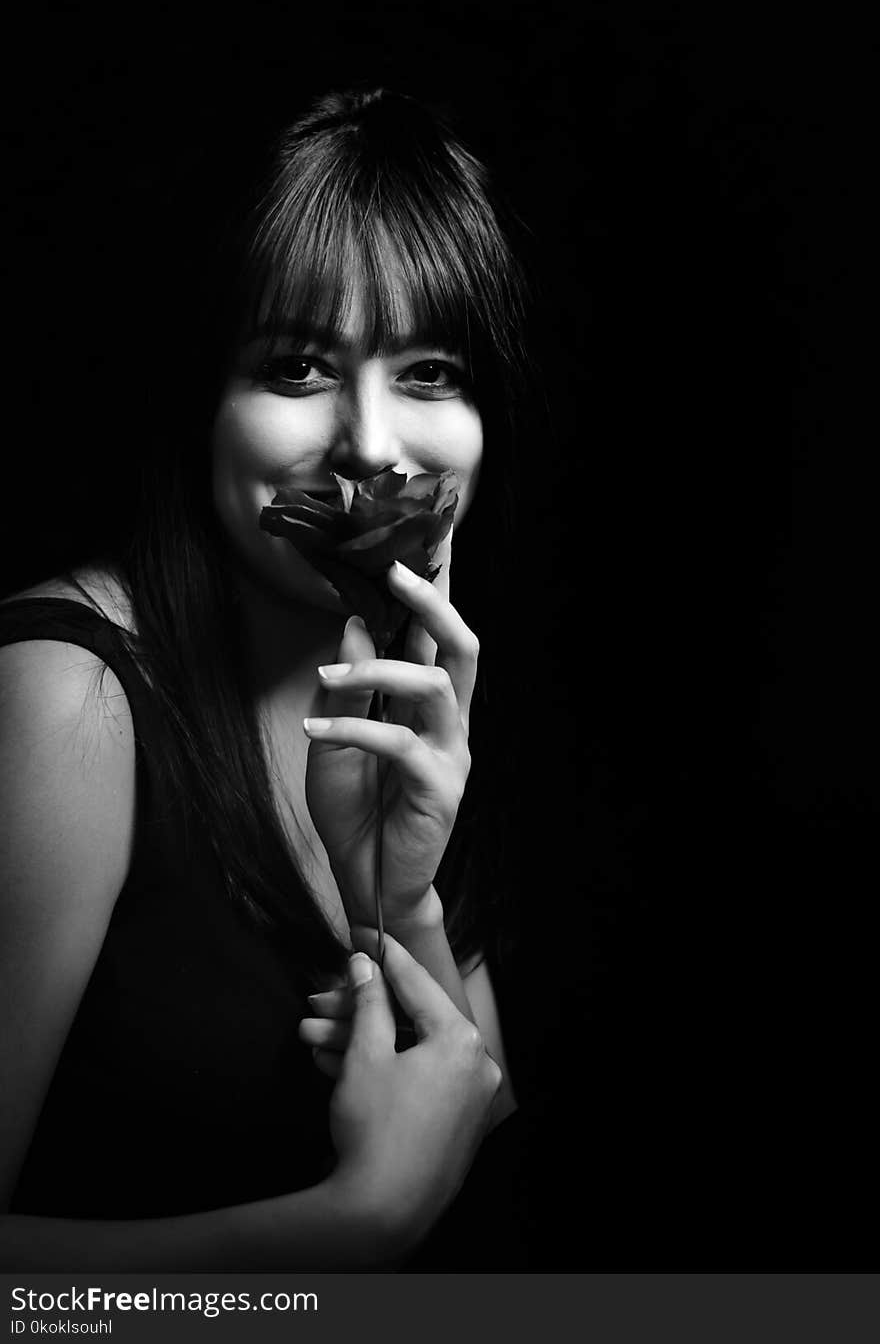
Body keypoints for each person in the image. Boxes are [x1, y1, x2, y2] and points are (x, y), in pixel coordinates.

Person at [0, 87, 530, 1268]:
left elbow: (493, 1214)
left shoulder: (414, 692)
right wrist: (348, 1227)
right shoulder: (64, 699)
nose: (374, 444)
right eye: (298, 366)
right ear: (204, 402)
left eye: (432, 370)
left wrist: (403, 896)